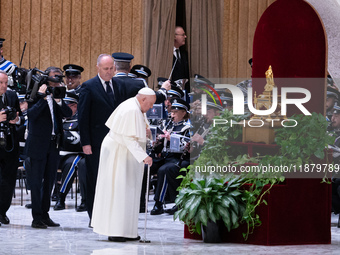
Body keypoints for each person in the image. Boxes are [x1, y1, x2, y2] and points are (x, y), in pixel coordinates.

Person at [91, 87, 155, 242]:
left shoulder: (137, 107)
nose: (151, 108)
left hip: (127, 154)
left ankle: (128, 231)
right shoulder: (131, 109)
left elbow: (142, 132)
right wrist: (144, 156)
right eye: (151, 104)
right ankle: (116, 231)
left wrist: (148, 136)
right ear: (143, 99)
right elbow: (128, 138)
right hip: (118, 153)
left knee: (129, 192)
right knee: (118, 190)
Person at [78, 54, 125, 221]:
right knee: (95, 179)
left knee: (113, 180)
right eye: (106, 69)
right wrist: (86, 143)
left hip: (116, 142)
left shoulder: (119, 85)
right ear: (98, 67)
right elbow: (83, 118)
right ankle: (94, 216)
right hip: (96, 143)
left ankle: (111, 216)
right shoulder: (88, 87)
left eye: (112, 68)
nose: (109, 72)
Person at [25, 67, 72, 228]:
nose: (57, 81)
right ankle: (36, 217)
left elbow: (68, 113)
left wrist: (58, 101)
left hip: (54, 144)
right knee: (37, 182)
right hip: (38, 144)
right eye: (55, 78)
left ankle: (45, 214)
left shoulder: (58, 94)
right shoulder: (35, 93)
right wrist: (42, 98)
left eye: (59, 78)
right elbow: (31, 115)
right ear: (47, 79)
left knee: (50, 182)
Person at [150, 98, 190, 216]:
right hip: (164, 156)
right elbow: (159, 149)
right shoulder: (168, 126)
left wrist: (170, 138)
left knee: (164, 170)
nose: (172, 115)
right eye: (172, 112)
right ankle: (140, 202)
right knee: (146, 166)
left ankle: (158, 203)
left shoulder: (187, 127)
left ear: (183, 113)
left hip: (177, 157)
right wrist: (157, 142)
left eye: (176, 112)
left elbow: (186, 147)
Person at [54, 92, 87, 212]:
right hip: (57, 153)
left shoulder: (80, 119)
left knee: (71, 164)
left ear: (75, 106)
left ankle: (61, 198)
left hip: (74, 153)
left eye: (69, 105)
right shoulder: (57, 117)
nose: (66, 108)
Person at [0, 70, 23, 226]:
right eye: (0, 83)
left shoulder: (12, 96)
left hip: (10, 144)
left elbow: (20, 116)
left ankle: (2, 211)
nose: (4, 86)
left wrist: (16, 119)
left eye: (6, 83)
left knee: (8, 180)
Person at [172, 26, 189, 94]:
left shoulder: (184, 53)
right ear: (174, 36)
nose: (185, 36)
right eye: (183, 35)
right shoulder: (166, 55)